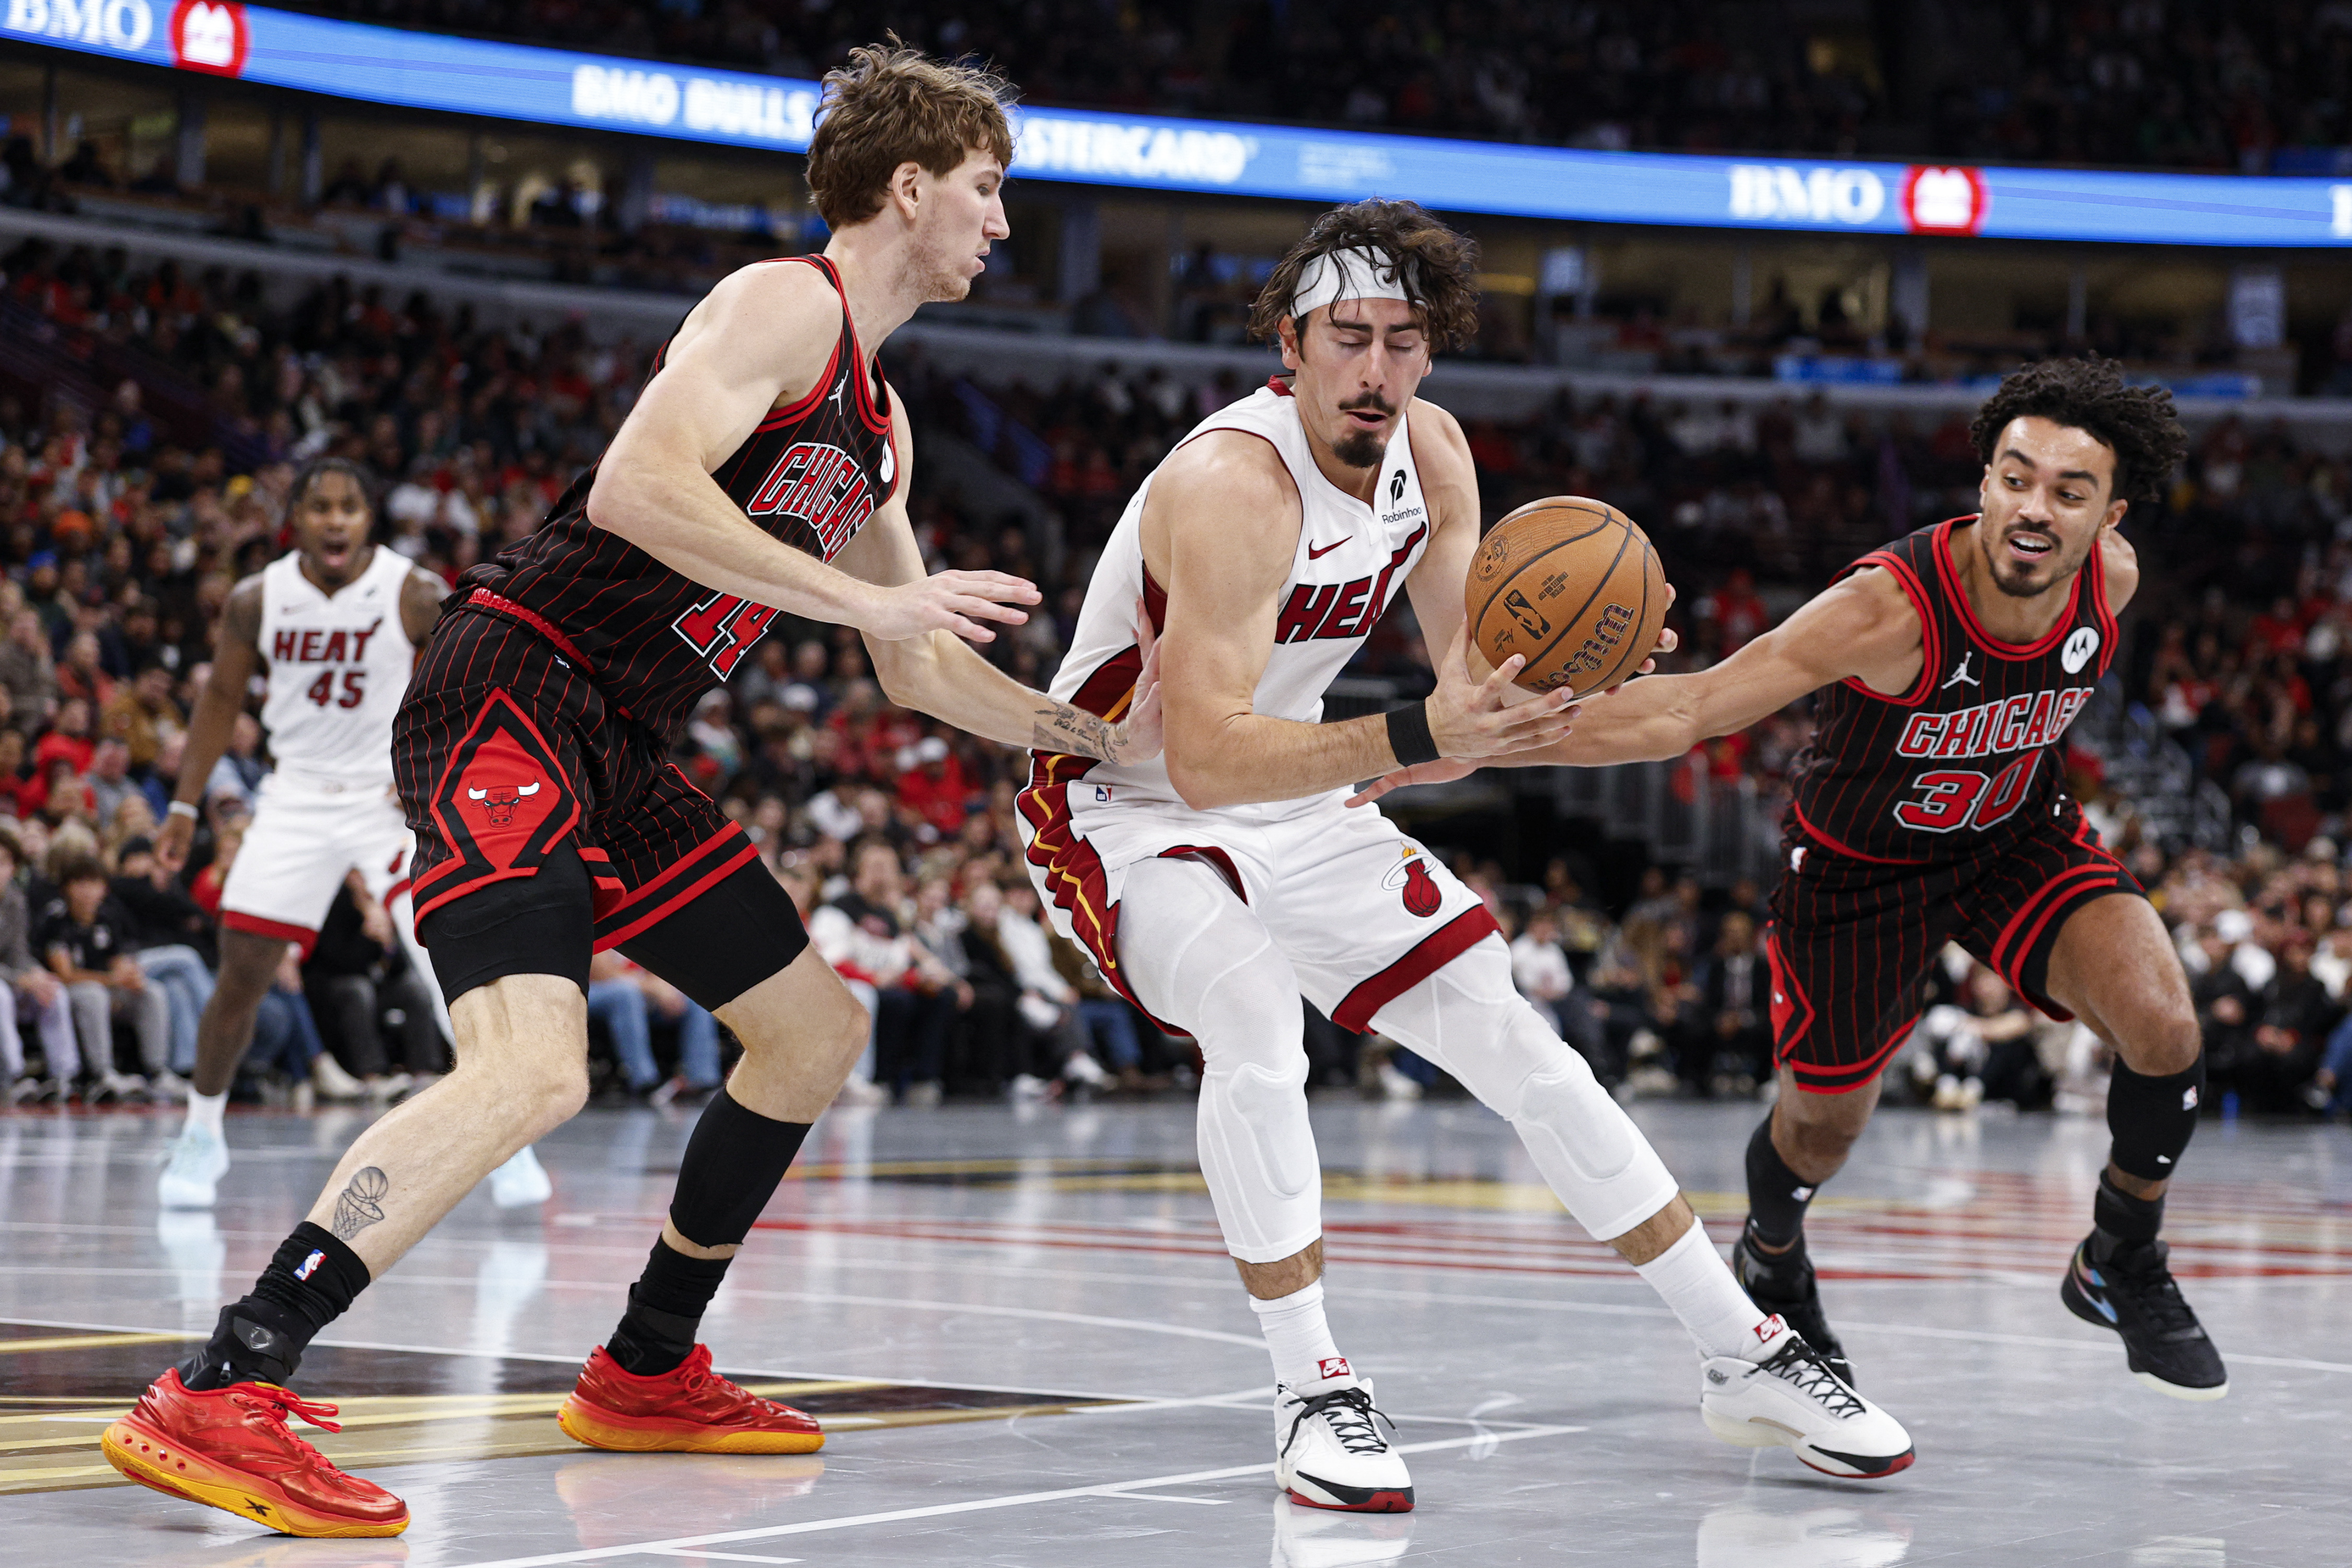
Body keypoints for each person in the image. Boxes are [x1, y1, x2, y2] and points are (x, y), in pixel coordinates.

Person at [105, 42, 1162, 1539]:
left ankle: (647, 1366)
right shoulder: (783, 302)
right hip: (512, 689)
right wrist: (864, 609)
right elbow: (633, 489)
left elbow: (921, 673)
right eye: (989, 191)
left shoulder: (886, 426)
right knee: (537, 1069)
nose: (1003, 223)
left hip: (621, 742)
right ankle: (230, 1374)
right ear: (910, 185)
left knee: (809, 1032)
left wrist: (1109, 741)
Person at [1022, 199, 1911, 1514]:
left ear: (1430, 354)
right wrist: (1423, 731)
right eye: (1348, 338)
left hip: (1298, 797)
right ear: (1293, 341)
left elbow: (1466, 700)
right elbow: (1208, 755)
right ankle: (1311, 1387)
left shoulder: (1432, 456)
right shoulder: (1231, 486)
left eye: (1401, 340)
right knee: (1255, 1013)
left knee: (1519, 1034)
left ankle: (1745, 1351)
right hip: (1123, 806)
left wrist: (1582, 689)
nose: (1375, 369)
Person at [1363, 356, 2221, 1401]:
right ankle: (1771, 1252)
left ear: (2109, 513)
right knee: (1823, 1128)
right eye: (2014, 476)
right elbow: (1691, 710)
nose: (2033, 507)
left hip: (2014, 835)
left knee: (2166, 1027)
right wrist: (1473, 742)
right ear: (1985, 481)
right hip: (1859, 873)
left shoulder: (2113, 581)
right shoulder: (1885, 609)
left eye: (2067, 491)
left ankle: (2118, 1256)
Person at [149, 459, 549, 1210]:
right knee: (241, 973)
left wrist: (427, 763)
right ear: (296, 516)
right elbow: (221, 698)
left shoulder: (411, 591)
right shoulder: (257, 598)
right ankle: (201, 1134)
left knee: (445, 968)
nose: (335, 520)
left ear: (370, 519)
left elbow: (472, 675)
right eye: (321, 507)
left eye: (349, 508)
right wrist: (182, 805)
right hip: (295, 796)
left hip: (384, 802)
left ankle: (509, 1139)